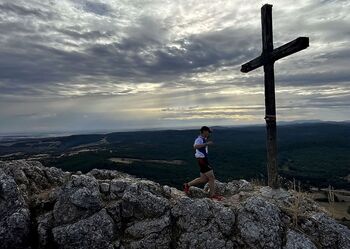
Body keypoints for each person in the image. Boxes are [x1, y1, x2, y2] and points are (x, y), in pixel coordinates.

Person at [183, 126, 223, 201]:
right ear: (204, 131)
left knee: (203, 179)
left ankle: (187, 185)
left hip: (203, 160)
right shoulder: (199, 139)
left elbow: (206, 137)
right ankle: (212, 195)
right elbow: (195, 146)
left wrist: (209, 131)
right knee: (211, 177)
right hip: (202, 160)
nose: (209, 134)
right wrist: (207, 144)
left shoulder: (203, 138)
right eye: (208, 132)